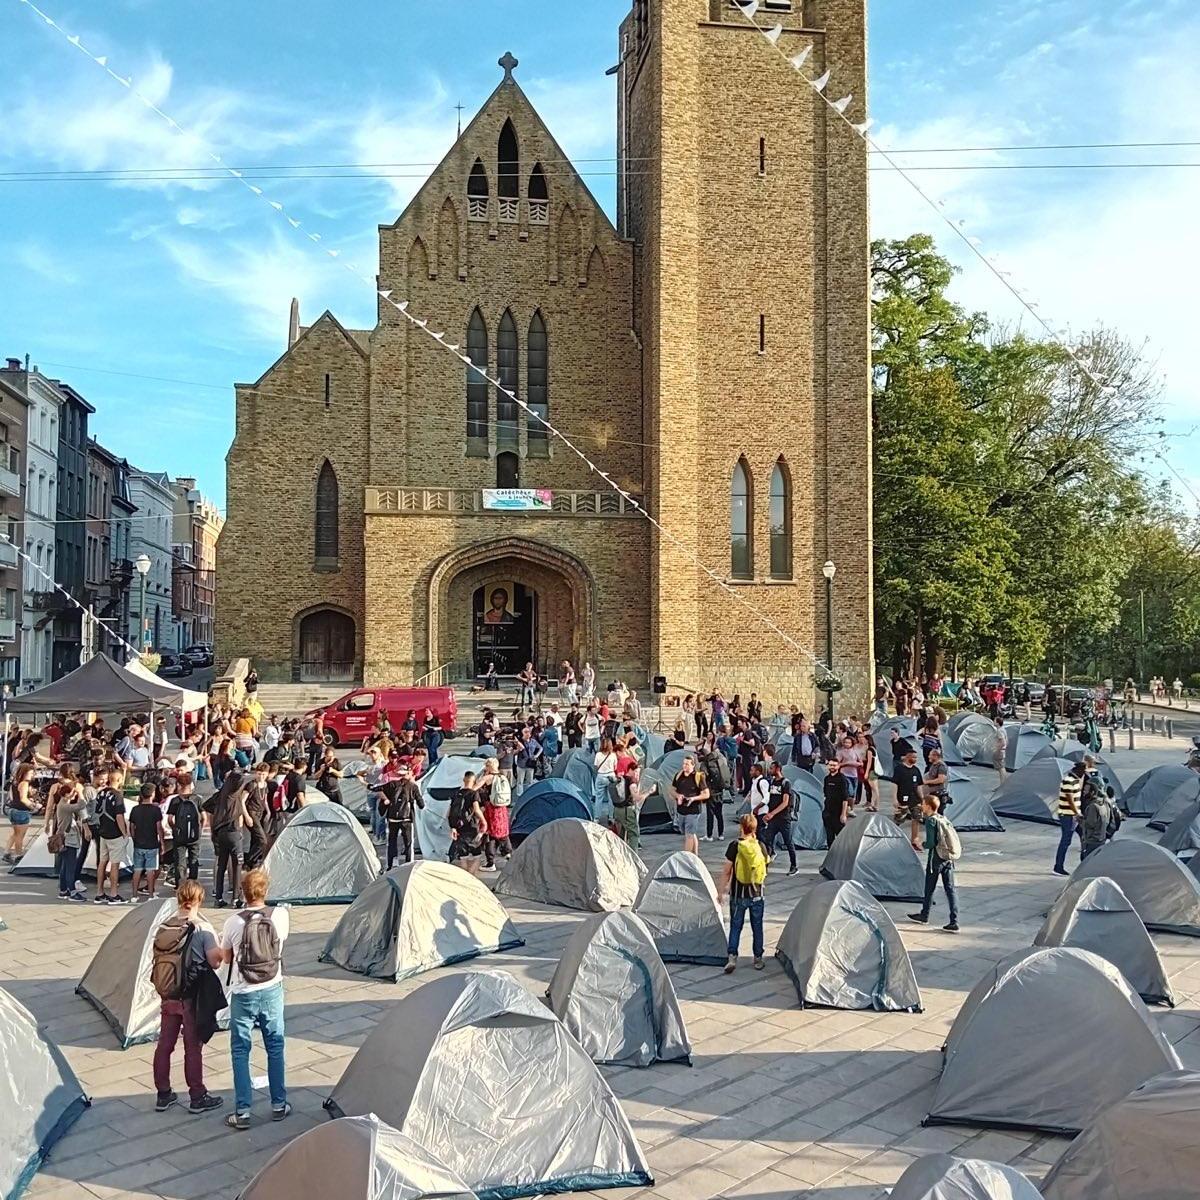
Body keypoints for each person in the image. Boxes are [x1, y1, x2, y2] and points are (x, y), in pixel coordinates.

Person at [219, 868, 289, 1130]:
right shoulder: (280, 916)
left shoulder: (233, 922)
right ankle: (279, 1104)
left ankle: (243, 1110)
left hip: (244, 991)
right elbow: (279, 946)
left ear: (243, 892)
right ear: (265, 891)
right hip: (272, 988)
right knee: (275, 1046)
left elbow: (226, 958)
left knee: (240, 1050)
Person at [152, 879, 225, 1114]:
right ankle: (197, 1095)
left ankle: (163, 1094)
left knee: (165, 1045)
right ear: (198, 901)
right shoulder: (201, 928)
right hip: (191, 996)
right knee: (193, 1047)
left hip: (168, 994)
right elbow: (215, 961)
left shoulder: (164, 927)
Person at [717, 814, 767, 974]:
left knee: (736, 926)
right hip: (757, 893)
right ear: (754, 828)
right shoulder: (760, 846)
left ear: (741, 828)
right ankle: (758, 957)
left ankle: (732, 957)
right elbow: (765, 868)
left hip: (739, 894)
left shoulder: (735, 846)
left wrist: (722, 891)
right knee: (757, 926)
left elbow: (726, 871)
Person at [908, 796, 960, 933]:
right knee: (950, 889)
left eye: (924, 804)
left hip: (935, 859)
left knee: (929, 888)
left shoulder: (931, 821)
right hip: (948, 858)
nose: (922, 806)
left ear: (929, 806)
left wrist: (920, 844)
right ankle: (954, 921)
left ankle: (924, 915)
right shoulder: (942, 818)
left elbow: (931, 843)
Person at [203, 772, 249, 908]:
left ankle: (218, 897)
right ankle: (235, 898)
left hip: (220, 834)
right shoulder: (235, 796)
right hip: (234, 833)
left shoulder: (220, 795)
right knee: (237, 866)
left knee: (221, 866)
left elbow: (206, 806)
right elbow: (240, 782)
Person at [376, 762, 424, 869]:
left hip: (392, 818)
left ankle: (391, 864)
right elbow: (421, 805)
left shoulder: (391, 784)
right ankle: (408, 865)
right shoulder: (413, 787)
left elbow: (376, 789)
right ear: (408, 773)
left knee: (392, 842)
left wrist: (386, 800)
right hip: (407, 819)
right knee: (408, 843)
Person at [94, 767, 130, 904]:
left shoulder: (100, 793)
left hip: (103, 833)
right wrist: (124, 833)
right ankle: (114, 894)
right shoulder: (117, 795)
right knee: (115, 864)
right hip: (115, 834)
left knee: (102, 862)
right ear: (119, 780)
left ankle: (99, 892)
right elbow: (119, 816)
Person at [129, 782, 165, 902]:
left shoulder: (135, 809)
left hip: (138, 843)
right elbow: (159, 828)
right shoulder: (156, 810)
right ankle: (150, 894)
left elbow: (131, 826)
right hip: (152, 843)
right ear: (153, 794)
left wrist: (134, 838)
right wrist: (162, 843)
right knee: (150, 870)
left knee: (137, 869)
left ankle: (134, 895)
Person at [762, 762, 798, 876]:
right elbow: (771, 800)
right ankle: (765, 864)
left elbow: (785, 802)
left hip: (783, 818)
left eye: (772, 768)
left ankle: (794, 865)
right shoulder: (772, 782)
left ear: (778, 769)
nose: (770, 770)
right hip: (773, 818)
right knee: (768, 840)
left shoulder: (785, 783)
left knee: (788, 842)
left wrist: (772, 813)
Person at [448, 772, 486, 875]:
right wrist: (484, 821)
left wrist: (452, 827)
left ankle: (465, 878)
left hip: (459, 828)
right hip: (471, 827)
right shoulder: (474, 794)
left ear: (464, 780)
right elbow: (477, 810)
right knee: (477, 857)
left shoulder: (456, 793)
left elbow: (449, 812)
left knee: (463, 857)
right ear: (474, 781)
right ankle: (471, 878)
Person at [168, 773, 203, 883]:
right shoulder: (197, 799)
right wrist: (199, 829)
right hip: (194, 835)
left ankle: (180, 884)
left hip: (180, 835)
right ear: (191, 784)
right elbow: (204, 817)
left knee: (180, 861)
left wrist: (175, 828)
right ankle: (193, 882)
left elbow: (170, 819)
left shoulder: (175, 800)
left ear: (178, 785)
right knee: (194, 859)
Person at [3, 762, 40, 865]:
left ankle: (6, 852)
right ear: (24, 773)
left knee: (15, 833)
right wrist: (33, 806)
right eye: (31, 773)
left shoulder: (15, 782)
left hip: (13, 809)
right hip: (21, 811)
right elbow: (23, 799)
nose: (32, 775)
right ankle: (19, 855)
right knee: (20, 836)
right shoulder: (24, 783)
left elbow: (13, 797)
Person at [672, 754, 709, 855]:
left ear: (693, 765)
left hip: (693, 810)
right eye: (684, 764)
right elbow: (671, 790)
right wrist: (678, 796)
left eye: (687, 764)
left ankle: (687, 858)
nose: (684, 766)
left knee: (689, 834)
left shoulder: (698, 776)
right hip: (681, 810)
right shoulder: (678, 775)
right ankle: (695, 855)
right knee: (689, 833)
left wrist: (693, 798)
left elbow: (706, 794)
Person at [479, 758, 511, 868]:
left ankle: (490, 862)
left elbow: (474, 789)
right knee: (503, 832)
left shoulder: (487, 778)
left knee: (490, 834)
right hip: (502, 808)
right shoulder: (502, 777)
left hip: (491, 808)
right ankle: (508, 852)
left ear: (488, 766)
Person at [1054, 762, 1085, 876]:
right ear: (1079, 770)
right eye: (1083, 772)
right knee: (1066, 841)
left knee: (1084, 836)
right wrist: (1077, 813)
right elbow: (1069, 798)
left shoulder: (1074, 780)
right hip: (1068, 816)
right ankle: (1058, 866)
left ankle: (1084, 860)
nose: (1083, 774)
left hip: (1073, 816)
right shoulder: (1068, 781)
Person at [892, 746, 925, 850]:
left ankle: (915, 840)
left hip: (915, 799)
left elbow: (919, 785)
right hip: (902, 798)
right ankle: (892, 838)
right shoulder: (899, 769)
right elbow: (894, 784)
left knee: (917, 818)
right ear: (907, 757)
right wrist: (894, 799)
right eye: (913, 757)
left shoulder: (916, 770)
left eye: (916, 757)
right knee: (899, 819)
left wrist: (922, 798)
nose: (915, 759)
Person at [612, 763, 647, 850]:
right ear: (630, 770)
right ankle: (634, 858)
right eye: (636, 772)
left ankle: (620, 855)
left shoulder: (620, 779)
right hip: (627, 811)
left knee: (621, 834)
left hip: (617, 810)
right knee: (633, 834)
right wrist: (648, 792)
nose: (637, 775)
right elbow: (636, 798)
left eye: (638, 773)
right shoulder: (631, 782)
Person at [1080, 774, 1113, 860]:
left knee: (1087, 864)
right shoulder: (1105, 802)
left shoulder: (1093, 806)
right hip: (1101, 838)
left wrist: (1079, 820)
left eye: (1086, 790)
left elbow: (1090, 823)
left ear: (1093, 791)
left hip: (1092, 840)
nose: (1083, 791)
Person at [822, 759, 850, 849]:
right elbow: (825, 794)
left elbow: (845, 799)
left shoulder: (842, 779)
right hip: (828, 813)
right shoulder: (826, 779)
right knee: (829, 838)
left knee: (841, 837)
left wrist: (843, 814)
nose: (832, 767)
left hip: (838, 813)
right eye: (830, 765)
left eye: (834, 765)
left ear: (838, 766)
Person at [592, 738, 618, 822]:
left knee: (599, 798)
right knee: (611, 799)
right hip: (611, 776)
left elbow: (595, 766)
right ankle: (611, 817)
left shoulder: (598, 755)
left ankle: (596, 817)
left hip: (601, 776)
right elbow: (615, 767)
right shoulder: (613, 755)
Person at [991, 715, 1008, 782]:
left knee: (1001, 768)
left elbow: (1003, 742)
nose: (993, 722)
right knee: (1002, 767)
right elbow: (1006, 741)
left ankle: (1002, 784)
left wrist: (997, 748)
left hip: (999, 751)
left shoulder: (999, 731)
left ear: (998, 723)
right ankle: (1003, 783)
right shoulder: (1003, 729)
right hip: (1002, 750)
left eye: (994, 721)